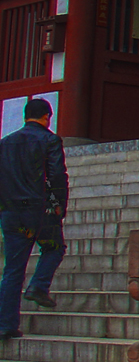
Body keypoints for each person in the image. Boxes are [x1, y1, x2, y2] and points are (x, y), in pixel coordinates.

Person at [0, 98, 68, 340]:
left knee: (12, 269)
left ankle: (5, 324)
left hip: (10, 212)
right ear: (47, 116)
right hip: (37, 209)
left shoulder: (5, 143)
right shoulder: (49, 140)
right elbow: (57, 175)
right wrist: (59, 205)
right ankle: (39, 286)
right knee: (54, 248)